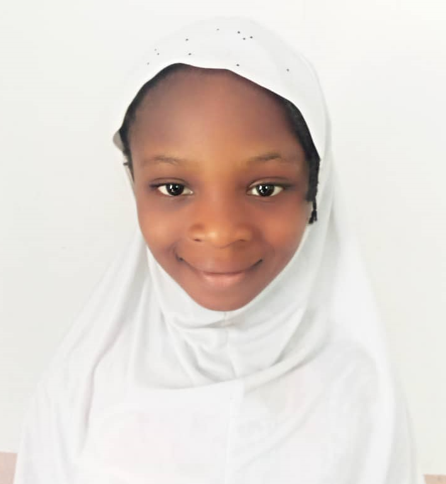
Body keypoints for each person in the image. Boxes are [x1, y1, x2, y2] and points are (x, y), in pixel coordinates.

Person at [13, 16, 425, 484]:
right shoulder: (80, 389)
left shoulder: (365, 401)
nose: (220, 231)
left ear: (316, 190)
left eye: (265, 188)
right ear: (133, 182)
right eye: (174, 188)